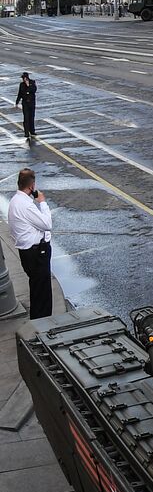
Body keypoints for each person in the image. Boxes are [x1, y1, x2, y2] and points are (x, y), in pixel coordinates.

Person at [8, 168, 53, 319]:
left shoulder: (15, 201)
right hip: (37, 253)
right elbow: (47, 224)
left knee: (36, 289)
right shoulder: (26, 205)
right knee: (42, 294)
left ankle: (38, 322)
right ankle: (43, 325)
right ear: (32, 186)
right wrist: (42, 202)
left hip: (27, 253)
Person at [13, 72, 36, 139]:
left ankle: (32, 131)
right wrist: (17, 102)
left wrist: (28, 85)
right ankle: (26, 133)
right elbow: (20, 93)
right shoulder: (21, 85)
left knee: (31, 117)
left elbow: (33, 90)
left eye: (24, 78)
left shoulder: (32, 82)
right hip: (25, 103)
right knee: (26, 118)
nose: (23, 79)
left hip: (32, 103)